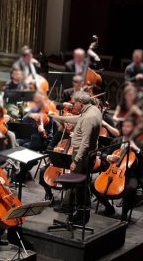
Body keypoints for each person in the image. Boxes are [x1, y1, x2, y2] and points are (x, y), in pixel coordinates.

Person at [51, 91, 102, 224]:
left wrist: (76, 161)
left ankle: (81, 216)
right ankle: (81, 214)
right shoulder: (94, 110)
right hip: (87, 154)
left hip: (82, 155)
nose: (73, 106)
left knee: (80, 186)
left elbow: (85, 143)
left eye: (74, 103)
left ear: (80, 103)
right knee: (82, 185)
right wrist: (59, 118)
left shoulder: (88, 118)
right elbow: (77, 119)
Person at [92, 118, 143, 221]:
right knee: (93, 185)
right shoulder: (116, 141)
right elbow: (104, 153)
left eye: (128, 126)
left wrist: (136, 149)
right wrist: (107, 157)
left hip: (131, 175)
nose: (125, 128)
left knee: (131, 188)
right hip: (113, 172)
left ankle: (124, 213)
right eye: (124, 126)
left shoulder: (139, 144)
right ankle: (109, 207)